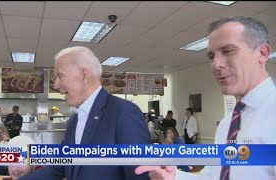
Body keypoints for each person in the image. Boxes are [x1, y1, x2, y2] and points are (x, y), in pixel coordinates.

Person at [135, 16, 276, 179]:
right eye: (211, 57)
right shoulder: (227, 125)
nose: (216, 64)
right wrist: (174, 177)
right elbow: (213, 176)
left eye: (228, 51)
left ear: (262, 53)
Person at [18, 46, 150, 180]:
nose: (56, 85)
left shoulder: (124, 112)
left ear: (84, 75)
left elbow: (140, 175)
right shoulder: (75, 120)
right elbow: (60, 166)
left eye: (60, 76)